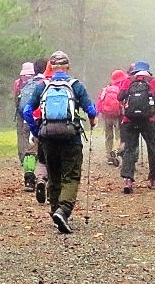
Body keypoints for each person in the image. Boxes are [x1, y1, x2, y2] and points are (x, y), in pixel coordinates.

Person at [21, 51, 97, 234]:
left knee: (53, 177)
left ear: (51, 67)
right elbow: (91, 110)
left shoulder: (43, 86)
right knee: (71, 176)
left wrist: (36, 131)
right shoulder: (76, 85)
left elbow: (27, 111)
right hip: (71, 137)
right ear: (68, 67)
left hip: (48, 138)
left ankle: (55, 211)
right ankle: (63, 211)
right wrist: (93, 119)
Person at [119, 60, 155, 193]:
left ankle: (128, 180)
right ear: (148, 71)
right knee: (152, 148)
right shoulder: (154, 81)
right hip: (148, 120)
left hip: (129, 119)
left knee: (130, 149)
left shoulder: (128, 80)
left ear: (135, 71)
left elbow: (119, 97)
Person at [16, 58, 50, 201]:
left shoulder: (27, 85)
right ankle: (45, 179)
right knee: (46, 150)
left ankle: (29, 179)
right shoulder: (47, 83)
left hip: (27, 120)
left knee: (30, 151)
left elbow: (21, 105)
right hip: (44, 121)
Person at [12, 61, 38, 190]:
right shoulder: (38, 83)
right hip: (36, 115)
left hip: (22, 114)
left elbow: (16, 99)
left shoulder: (18, 83)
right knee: (35, 142)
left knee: (22, 136)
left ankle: (24, 159)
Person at [96, 69, 127, 167]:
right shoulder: (122, 88)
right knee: (119, 136)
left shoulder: (107, 89)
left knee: (108, 136)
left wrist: (99, 113)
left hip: (106, 116)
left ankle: (109, 157)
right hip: (118, 116)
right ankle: (117, 154)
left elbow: (99, 102)